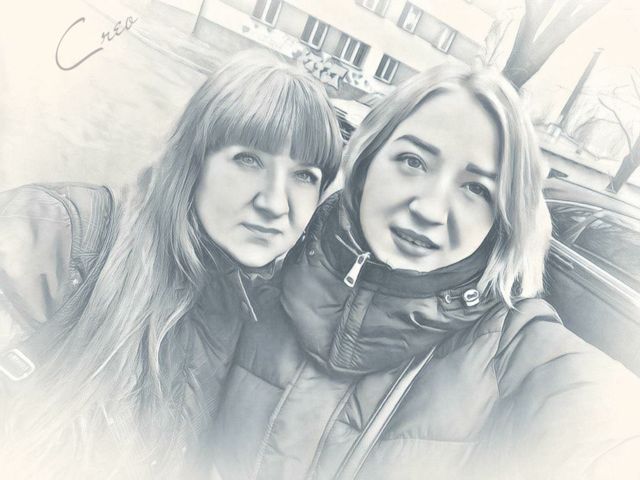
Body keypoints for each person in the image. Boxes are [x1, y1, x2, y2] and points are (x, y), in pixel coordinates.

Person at [208, 64, 640, 480]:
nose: (430, 210)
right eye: (413, 161)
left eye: (476, 188)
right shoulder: (261, 274)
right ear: (367, 160)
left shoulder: (515, 352)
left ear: (501, 217)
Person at [0, 50, 343, 478]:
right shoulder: (57, 236)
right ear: (194, 160)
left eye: (305, 175)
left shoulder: (264, 333)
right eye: (248, 159)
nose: (274, 202)